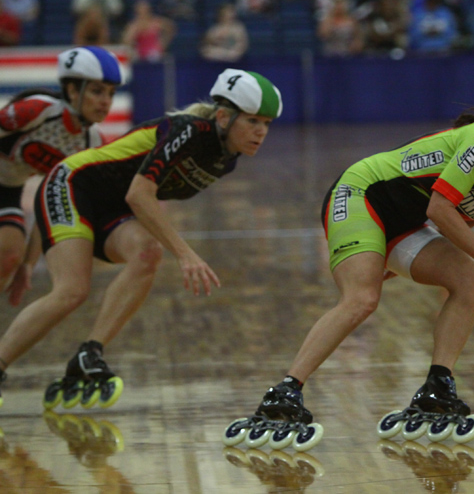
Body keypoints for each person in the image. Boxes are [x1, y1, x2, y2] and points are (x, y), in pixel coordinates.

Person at [223, 70, 474, 450]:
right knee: (362, 298)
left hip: (407, 221)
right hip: (363, 194)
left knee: (471, 279)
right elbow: (441, 209)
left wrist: (401, 263)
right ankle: (284, 393)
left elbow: (456, 225)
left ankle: (437, 386)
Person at [0, 68, 283, 410]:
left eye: (266, 124)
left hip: (111, 204)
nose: (261, 132)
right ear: (223, 116)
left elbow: (139, 198)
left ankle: (89, 353)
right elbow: (140, 195)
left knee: (147, 254)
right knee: (72, 290)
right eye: (253, 121)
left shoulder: (227, 160)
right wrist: (186, 253)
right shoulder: (190, 131)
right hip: (74, 184)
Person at [0, 46, 122, 309]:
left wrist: (28, 265)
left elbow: (48, 207)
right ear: (72, 91)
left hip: (8, 188)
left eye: (111, 94)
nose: (106, 101)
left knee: (9, 257)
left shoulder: (91, 145)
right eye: (97, 91)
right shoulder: (38, 110)